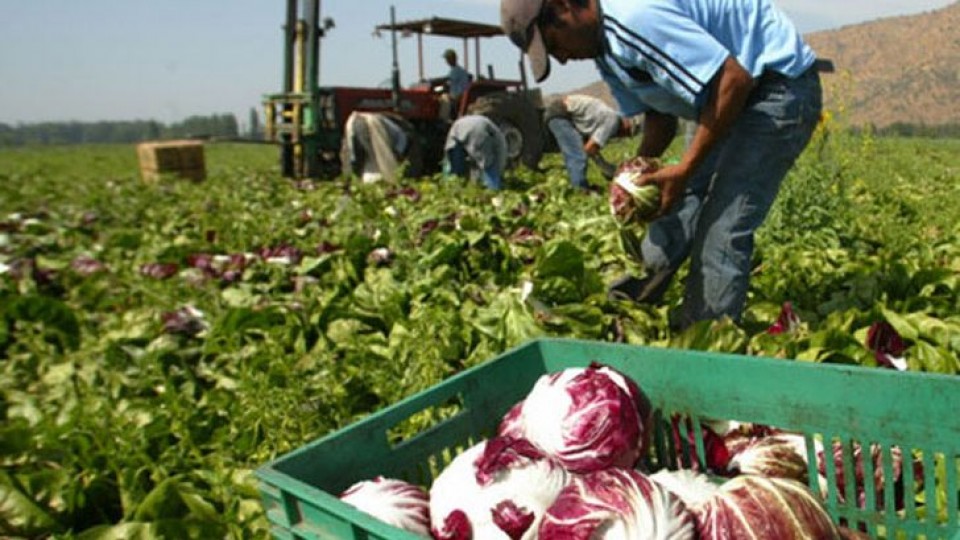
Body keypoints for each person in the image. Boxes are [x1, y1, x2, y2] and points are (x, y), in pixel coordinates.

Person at [500, 0, 823, 328]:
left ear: (564, 6)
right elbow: (660, 116)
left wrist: (684, 169)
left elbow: (733, 80)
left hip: (775, 86)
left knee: (724, 221)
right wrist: (635, 175)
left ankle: (706, 340)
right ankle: (634, 302)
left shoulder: (634, 17)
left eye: (554, 45)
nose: (563, 58)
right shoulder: (605, 50)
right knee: (676, 200)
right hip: (724, 95)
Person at [544, 94, 637, 188]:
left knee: (577, 153)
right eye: (626, 133)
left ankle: (579, 186)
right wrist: (611, 170)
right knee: (577, 155)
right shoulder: (612, 121)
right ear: (627, 124)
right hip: (560, 113)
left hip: (563, 114)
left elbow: (591, 147)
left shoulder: (605, 118)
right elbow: (590, 148)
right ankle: (580, 190)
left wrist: (606, 168)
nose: (622, 136)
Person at [341, 111, 421, 183]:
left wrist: (397, 154)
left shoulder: (389, 128)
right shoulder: (356, 126)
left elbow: (402, 138)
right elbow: (354, 156)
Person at [443, 114, 508, 190]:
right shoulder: (500, 146)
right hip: (479, 128)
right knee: (489, 167)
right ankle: (492, 191)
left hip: (458, 126)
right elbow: (494, 165)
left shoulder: (497, 138)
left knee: (454, 165)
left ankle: (450, 188)